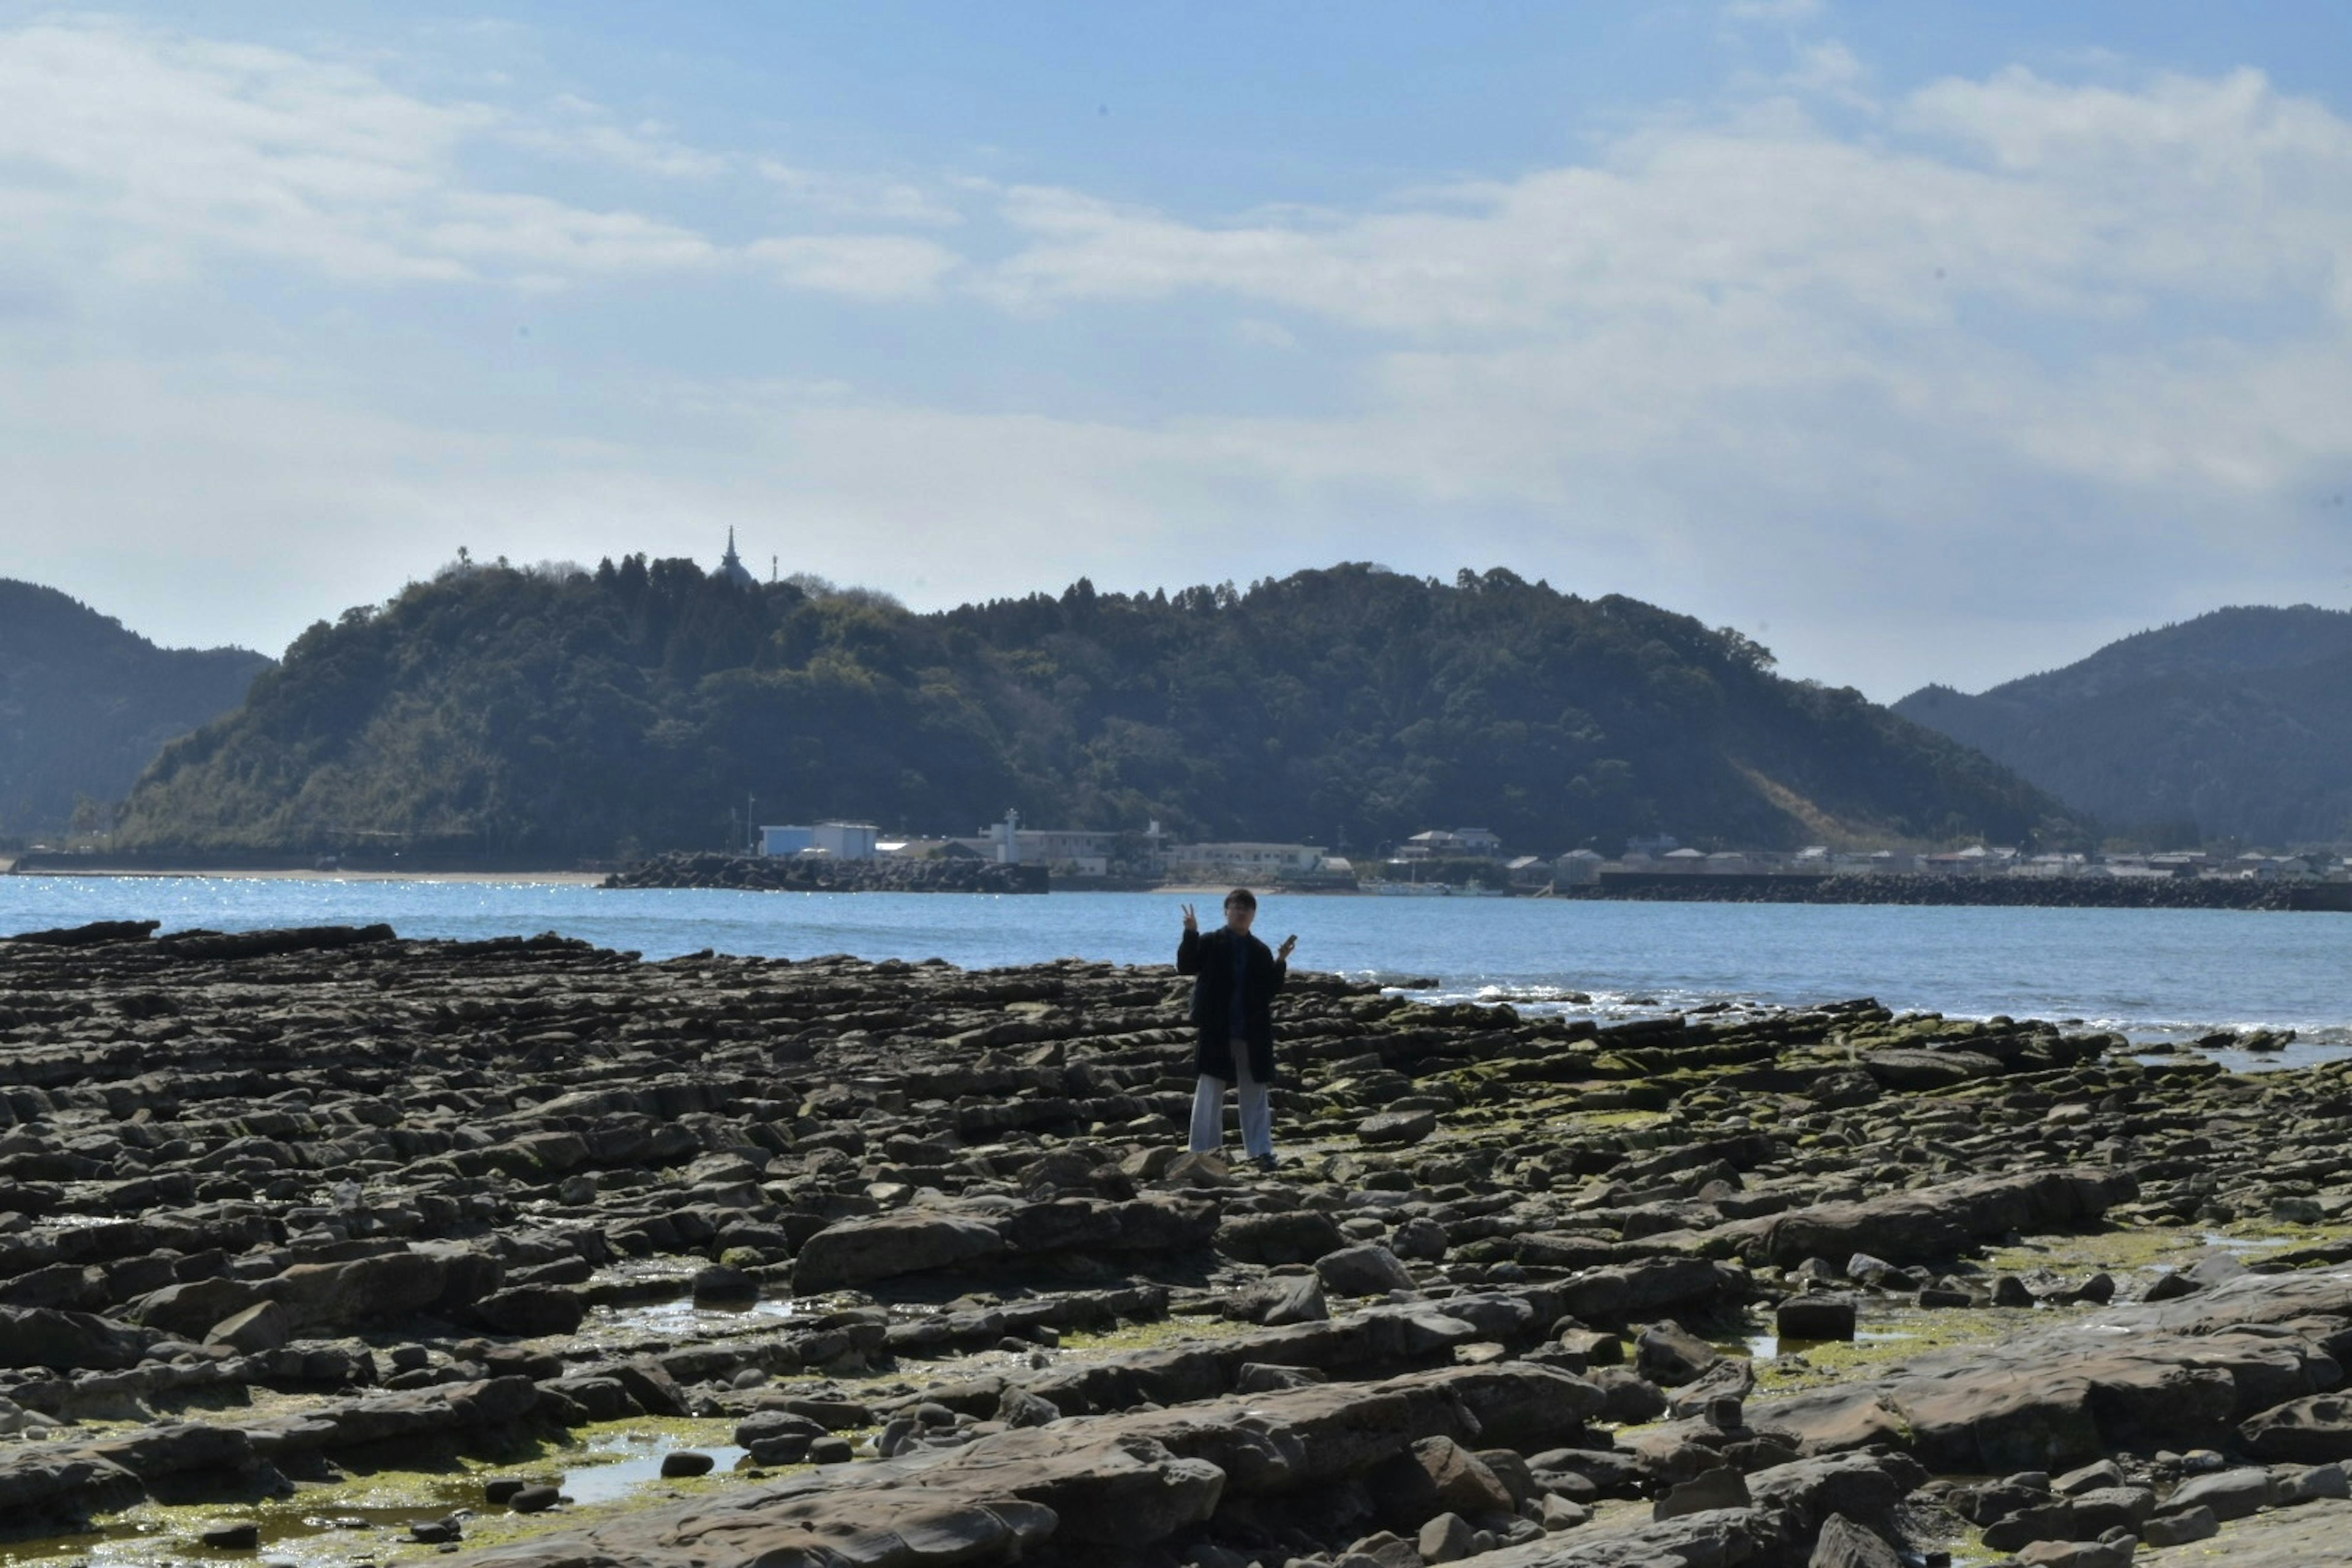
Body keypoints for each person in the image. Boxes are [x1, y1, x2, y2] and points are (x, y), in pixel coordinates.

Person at [1175, 888, 1297, 1172]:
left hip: (1252, 1030)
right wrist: (1191, 933)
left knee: (1255, 1092)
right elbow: (1186, 965)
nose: (1241, 913)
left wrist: (1280, 961)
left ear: (1253, 916)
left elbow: (1269, 991)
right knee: (1209, 1090)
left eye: (1246, 909)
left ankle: (1261, 1151)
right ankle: (1204, 1151)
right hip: (1217, 1027)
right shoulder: (1210, 941)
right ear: (1226, 912)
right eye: (1236, 908)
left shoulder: (1260, 950)